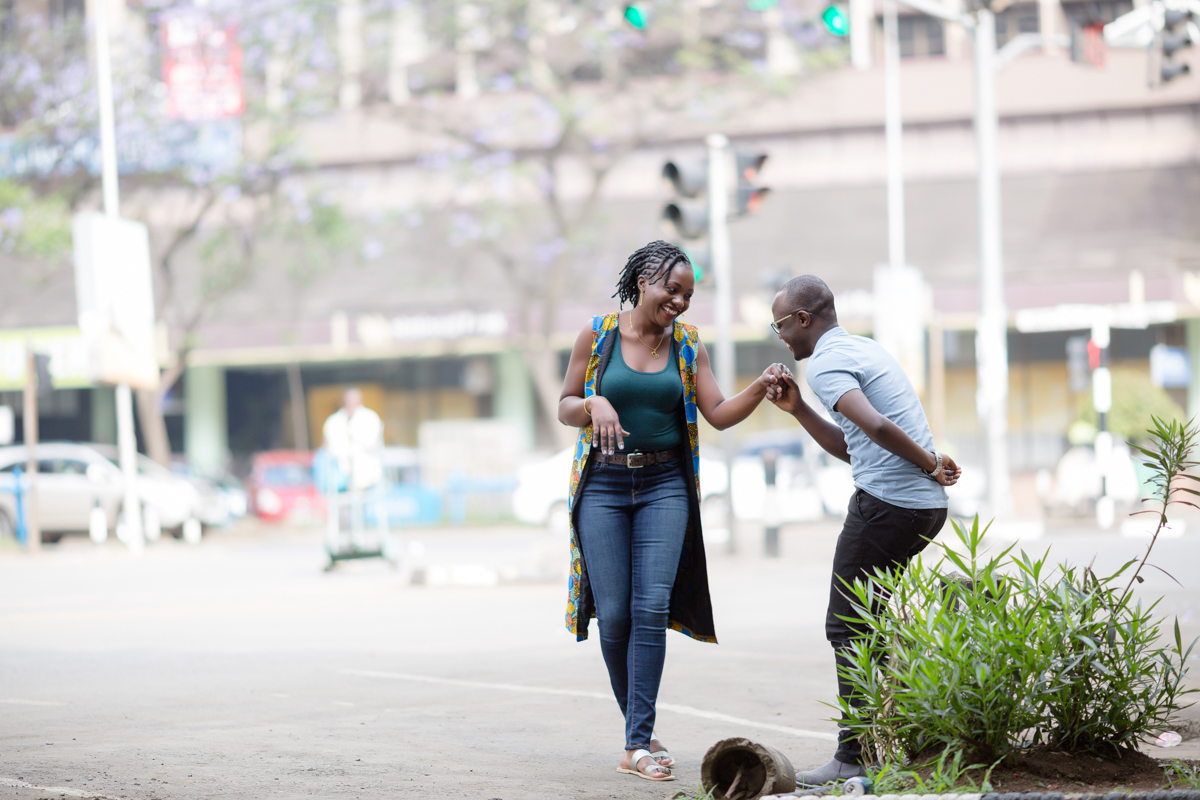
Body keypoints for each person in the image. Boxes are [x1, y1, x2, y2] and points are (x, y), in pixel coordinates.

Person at [558, 240, 786, 783]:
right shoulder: (597, 336)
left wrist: (759, 386)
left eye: (687, 294)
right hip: (604, 487)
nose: (679, 302)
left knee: (651, 606)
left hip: (665, 485)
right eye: (671, 289)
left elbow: (719, 413)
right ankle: (640, 732)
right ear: (642, 281)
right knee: (613, 615)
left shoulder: (688, 345)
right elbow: (566, 405)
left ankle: (637, 743)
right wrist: (594, 403)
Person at [762, 275, 961, 787]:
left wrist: (930, 463)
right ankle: (884, 745)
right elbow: (857, 446)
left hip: (889, 507)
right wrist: (799, 408)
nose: (780, 336)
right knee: (866, 624)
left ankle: (853, 757)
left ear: (803, 320)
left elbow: (873, 426)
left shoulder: (827, 363)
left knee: (847, 626)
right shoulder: (861, 350)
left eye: (781, 325)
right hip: (918, 508)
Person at [322, 387, 384, 492]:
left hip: (368, 476)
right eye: (348, 399)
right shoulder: (334, 421)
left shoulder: (370, 417)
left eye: (354, 399)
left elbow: (371, 443)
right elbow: (329, 447)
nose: (351, 402)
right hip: (341, 478)